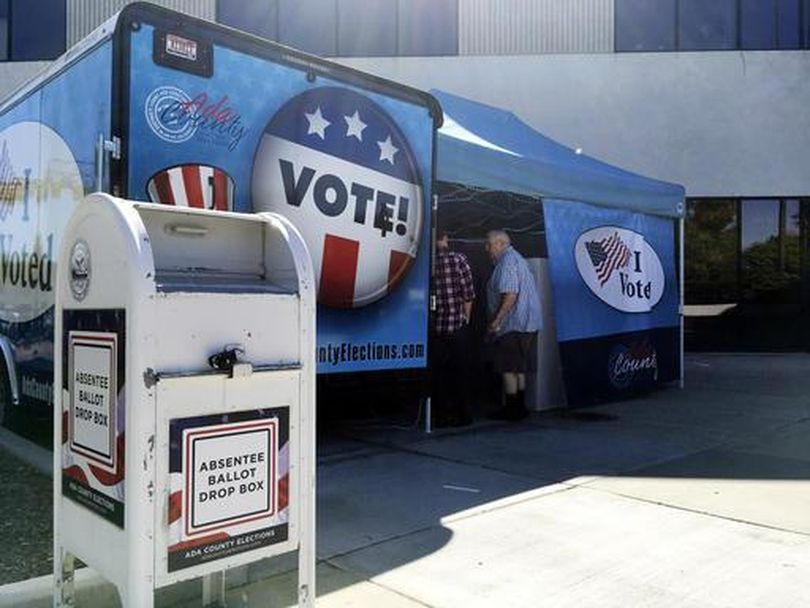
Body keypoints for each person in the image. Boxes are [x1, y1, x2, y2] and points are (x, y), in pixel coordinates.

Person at [485, 229, 541, 421]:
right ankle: (520, 408)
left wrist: (496, 321)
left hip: (513, 325)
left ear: (500, 244)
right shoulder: (519, 259)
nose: (487, 249)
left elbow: (510, 295)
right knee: (518, 368)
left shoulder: (507, 262)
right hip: (528, 325)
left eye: (489, 244)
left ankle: (511, 410)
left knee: (508, 369)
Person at [430, 228, 475, 427]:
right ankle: (463, 415)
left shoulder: (428, 263)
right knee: (461, 372)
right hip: (457, 325)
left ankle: (441, 414)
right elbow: (468, 294)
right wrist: (466, 319)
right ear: (447, 238)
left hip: (436, 327)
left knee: (437, 373)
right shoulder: (459, 260)